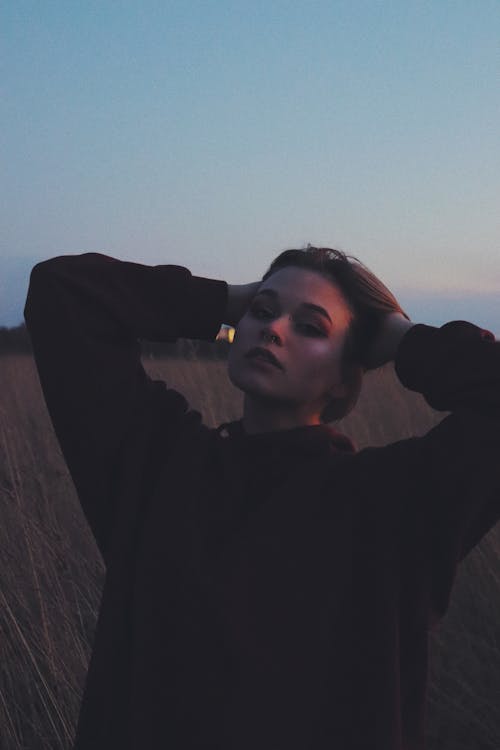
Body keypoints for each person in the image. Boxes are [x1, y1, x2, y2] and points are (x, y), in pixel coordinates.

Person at [24, 245, 500, 750]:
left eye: (311, 327)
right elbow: (63, 292)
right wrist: (225, 300)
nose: (272, 330)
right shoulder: (161, 463)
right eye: (263, 312)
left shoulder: (391, 503)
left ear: (346, 378)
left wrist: (400, 338)